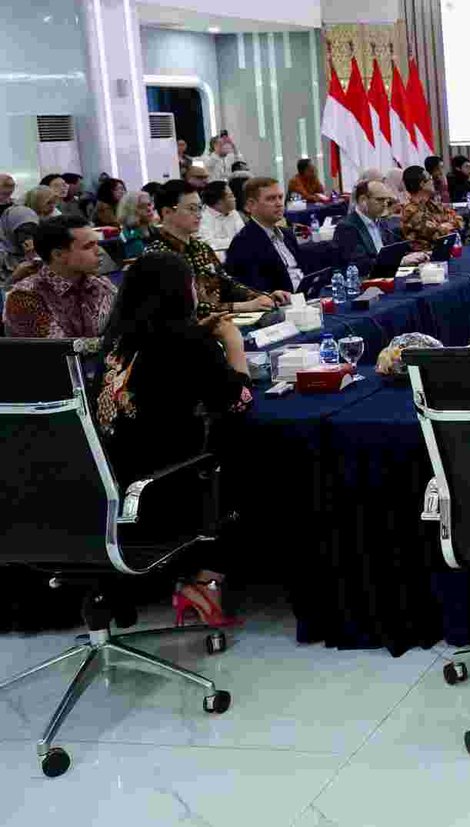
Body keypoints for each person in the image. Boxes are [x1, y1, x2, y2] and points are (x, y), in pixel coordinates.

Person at [95, 251, 251, 627]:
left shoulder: (115, 340)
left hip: (107, 488)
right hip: (162, 490)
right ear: (180, 292)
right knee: (246, 457)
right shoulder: (186, 343)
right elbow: (238, 399)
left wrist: (200, 335)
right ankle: (205, 580)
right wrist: (233, 344)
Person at [145, 180, 277, 316]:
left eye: (199, 208)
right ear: (167, 212)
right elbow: (183, 308)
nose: (199, 215)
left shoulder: (202, 248)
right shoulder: (157, 255)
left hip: (221, 319)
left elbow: (227, 284)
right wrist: (241, 306)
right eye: (191, 208)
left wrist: (262, 296)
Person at [2, 215, 116, 338]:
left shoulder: (100, 284)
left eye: (97, 243)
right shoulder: (25, 297)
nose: (99, 251)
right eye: (88, 246)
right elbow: (57, 347)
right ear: (58, 255)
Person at [225, 177, 305, 295]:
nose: (279, 204)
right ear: (251, 205)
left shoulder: (287, 234)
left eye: (280, 197)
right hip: (280, 301)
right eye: (271, 199)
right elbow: (252, 290)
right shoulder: (243, 243)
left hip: (305, 295)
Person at [335, 178, 422, 274]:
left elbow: (391, 251)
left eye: (386, 200)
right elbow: (360, 264)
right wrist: (400, 261)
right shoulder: (347, 227)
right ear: (363, 200)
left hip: (388, 274)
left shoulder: (382, 222)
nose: (384, 204)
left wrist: (413, 255)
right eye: (380, 200)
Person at [398, 164, 462, 252]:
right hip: (426, 255)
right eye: (430, 179)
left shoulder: (431, 204)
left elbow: (459, 219)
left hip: (444, 251)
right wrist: (446, 225)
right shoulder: (411, 211)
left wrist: (444, 226)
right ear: (422, 184)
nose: (433, 181)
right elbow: (439, 235)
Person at [198, 180, 246, 251]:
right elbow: (207, 243)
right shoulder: (202, 217)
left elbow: (244, 237)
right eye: (230, 196)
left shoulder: (233, 213)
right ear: (219, 202)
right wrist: (236, 241)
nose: (234, 199)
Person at [116, 188, 157, 260]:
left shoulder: (154, 230)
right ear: (130, 211)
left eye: (149, 204)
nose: (149, 209)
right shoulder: (131, 238)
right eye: (142, 206)